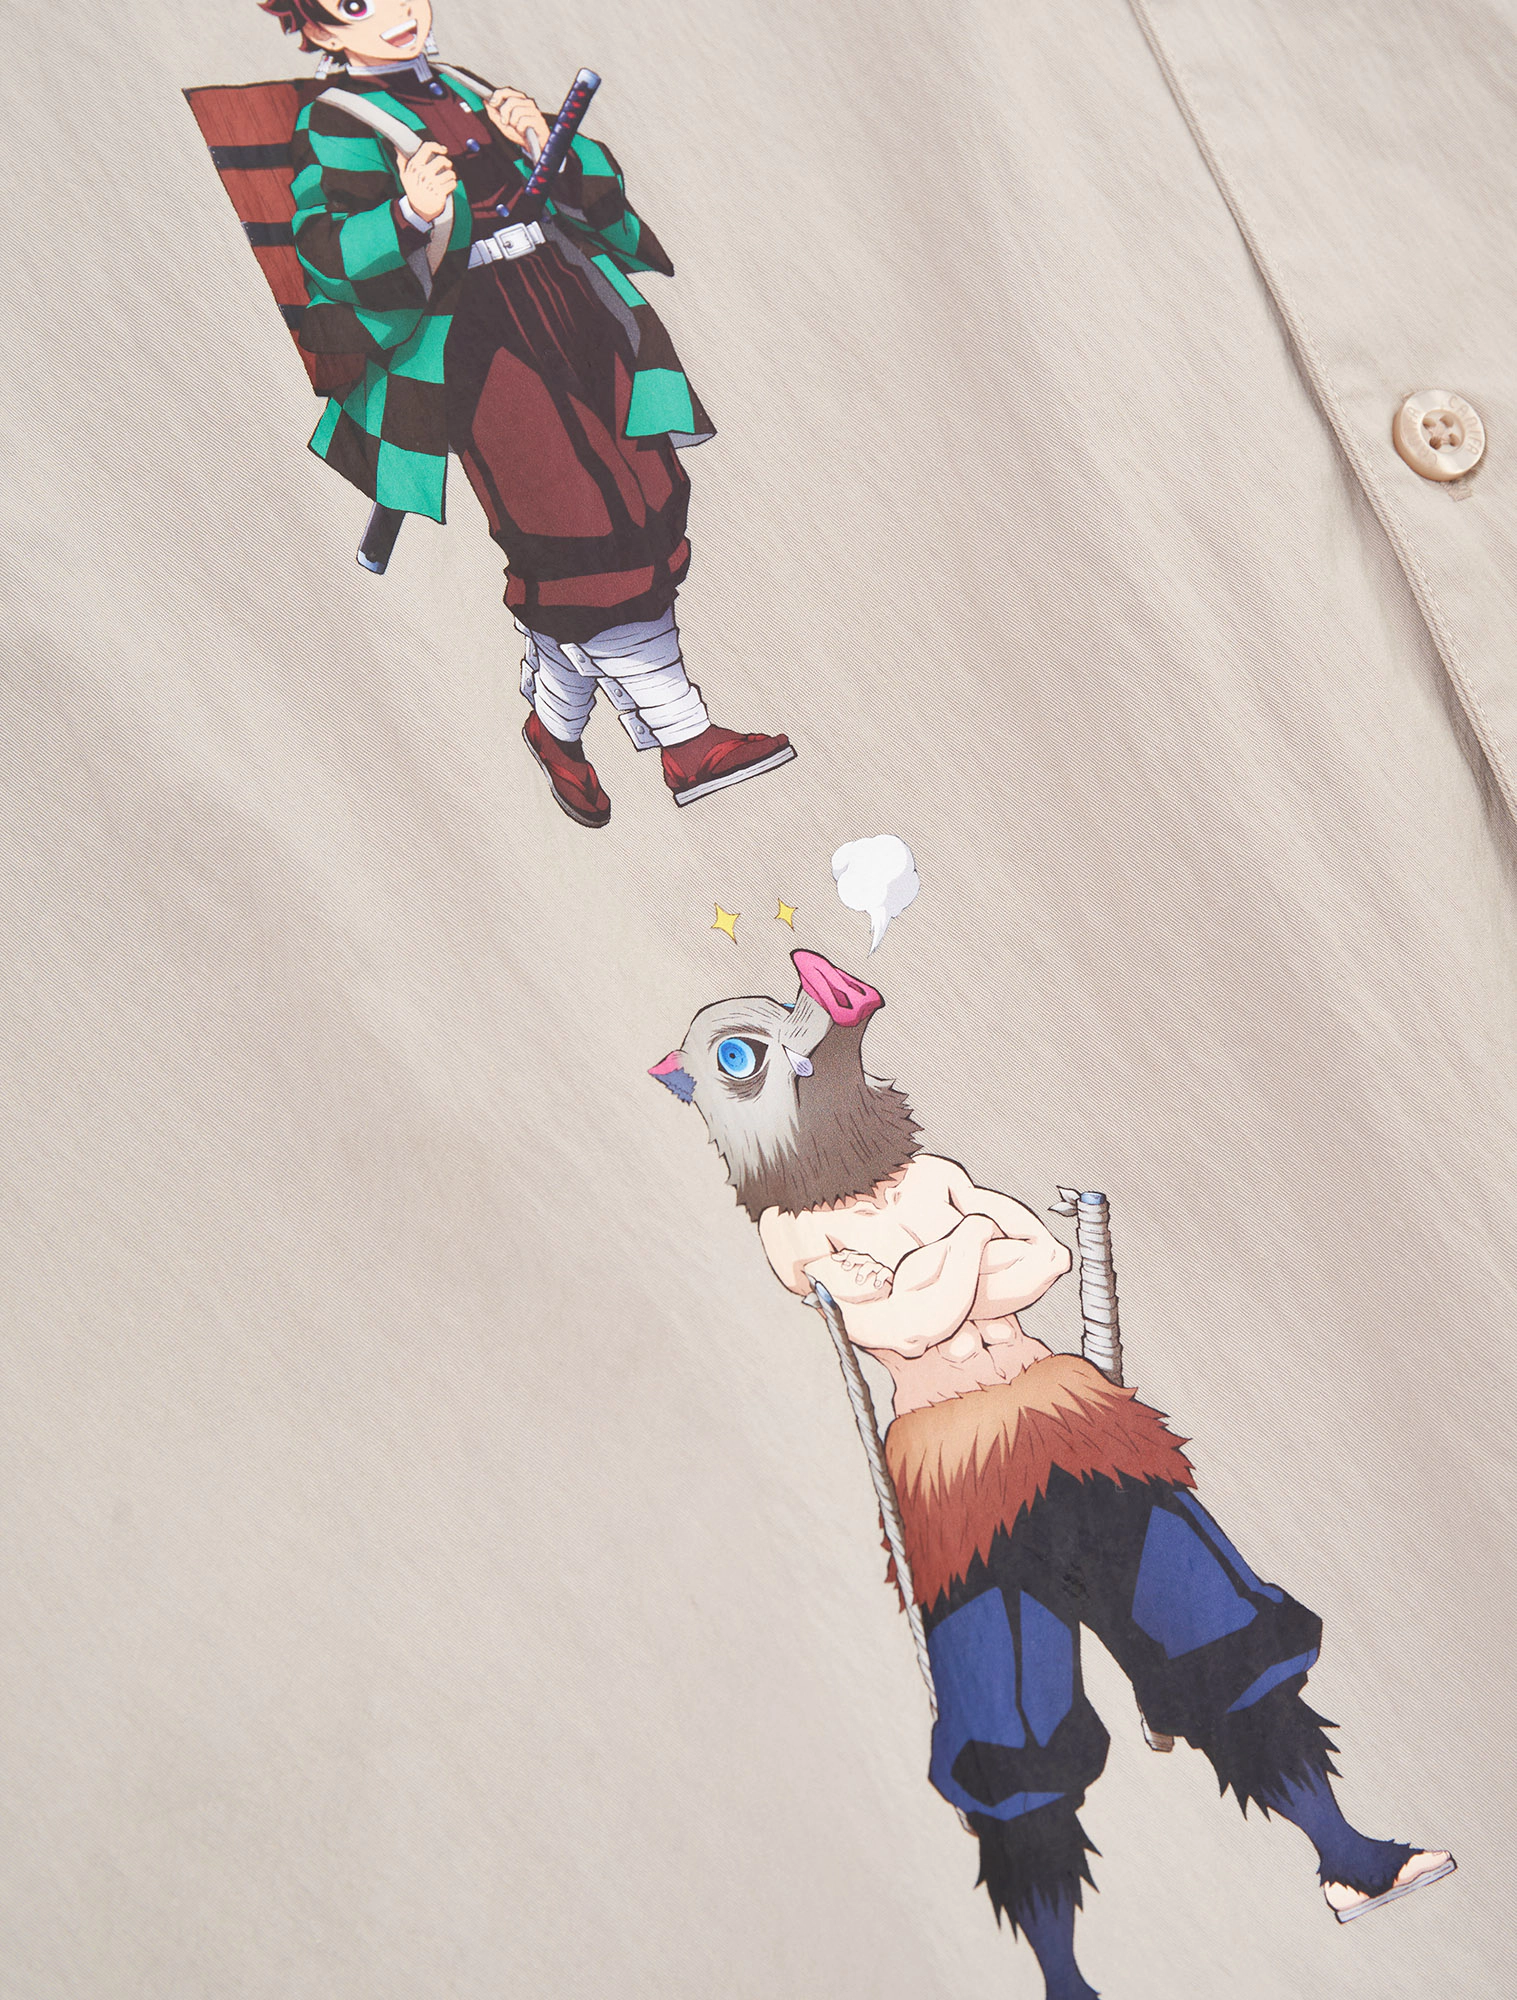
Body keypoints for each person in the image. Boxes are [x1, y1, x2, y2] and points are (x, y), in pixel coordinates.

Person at [652, 949, 1456, 2000]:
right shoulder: (794, 1231)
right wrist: (961, 1251)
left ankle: (1343, 1854)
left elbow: (1039, 1259)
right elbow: (910, 1320)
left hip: (1072, 1425)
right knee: (1008, 1723)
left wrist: (936, 1265)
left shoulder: (924, 1175)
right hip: (956, 1476)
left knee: (1215, 1634)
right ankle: (1062, 1981)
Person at [259, 0, 794, 825]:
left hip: (569, 303)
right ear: (319, 26)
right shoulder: (337, 123)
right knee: (576, 522)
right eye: (355, 2)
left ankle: (553, 726)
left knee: (645, 494)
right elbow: (325, 256)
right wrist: (409, 214)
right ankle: (684, 738)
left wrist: (547, 145)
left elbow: (596, 192)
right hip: (476, 337)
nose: (394, 11)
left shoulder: (466, 85)